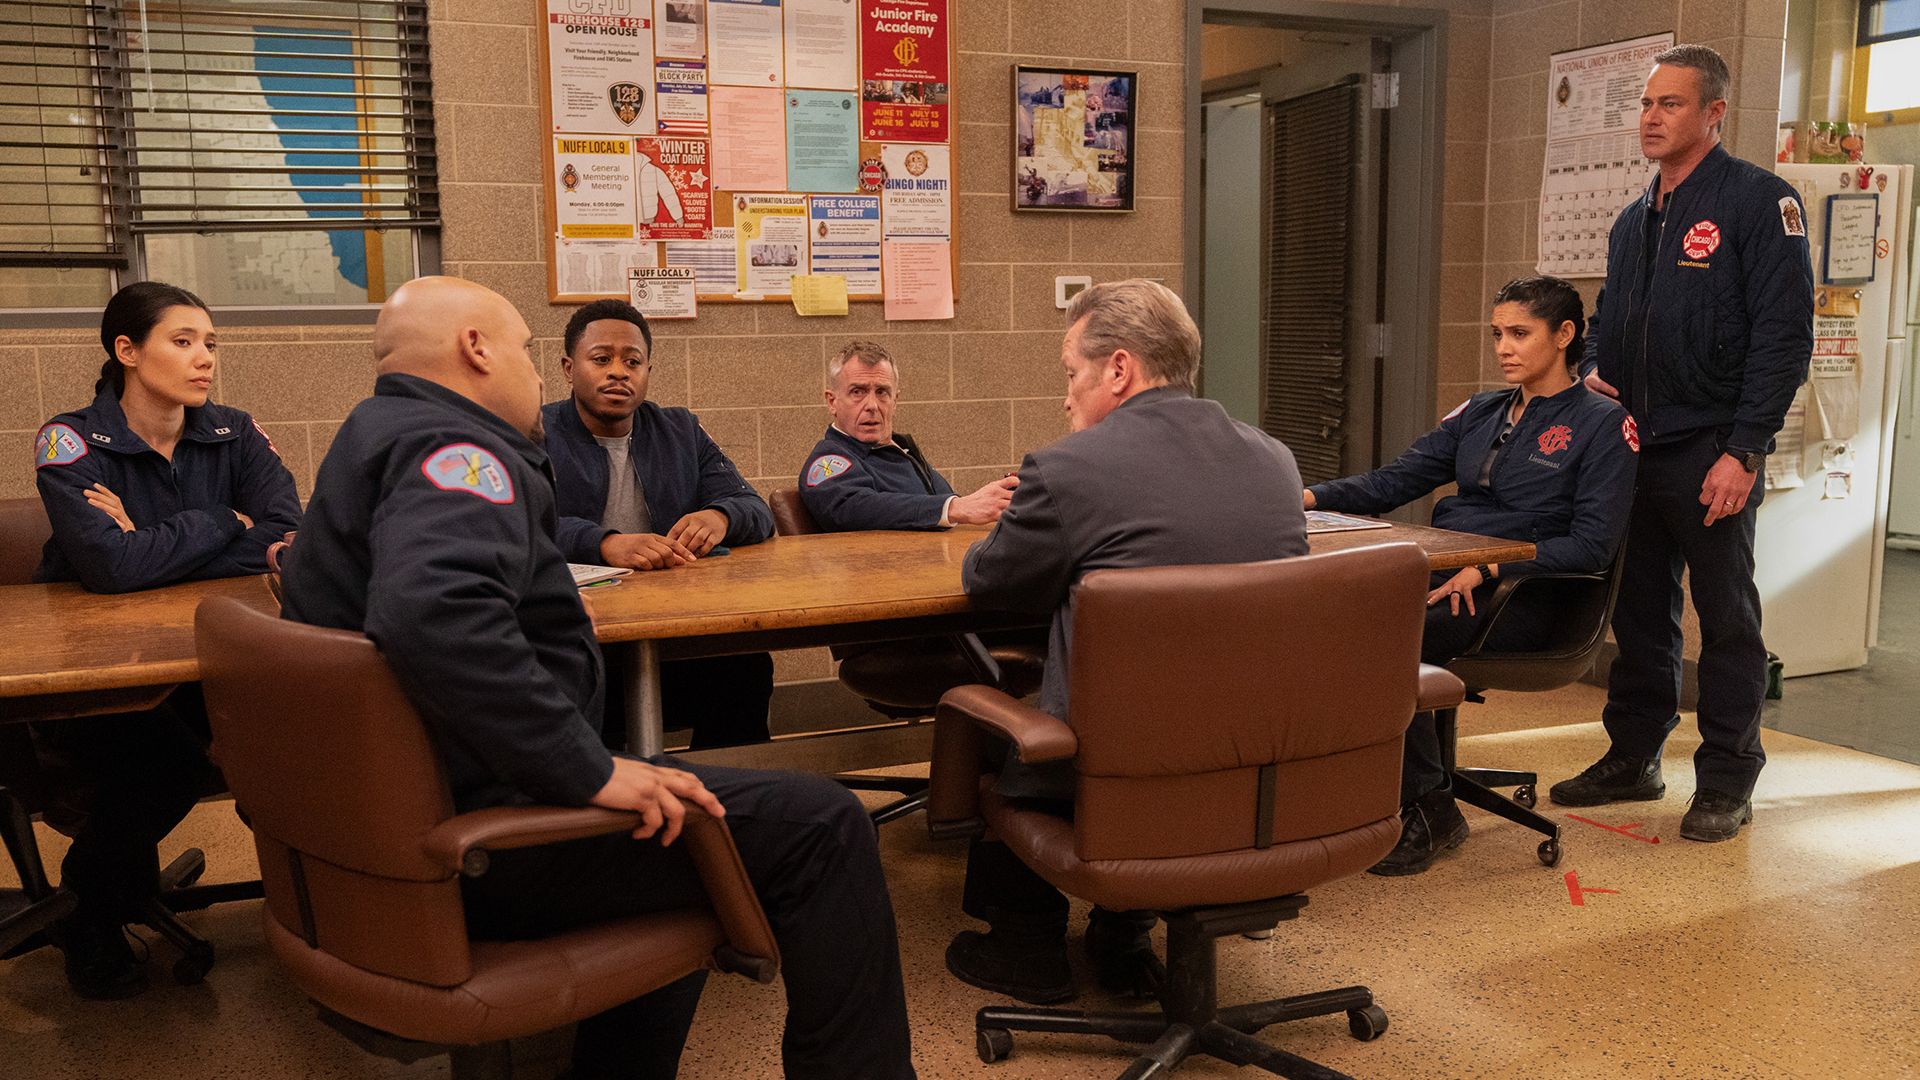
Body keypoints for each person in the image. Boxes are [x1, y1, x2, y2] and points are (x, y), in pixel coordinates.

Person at [277, 277, 915, 1080]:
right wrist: (588, 768)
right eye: (525, 353)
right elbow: (432, 613)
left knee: (675, 811)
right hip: (484, 838)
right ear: (476, 348)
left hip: (389, 837)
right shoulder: (458, 453)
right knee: (823, 825)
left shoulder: (374, 433)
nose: (538, 376)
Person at [944, 279, 1310, 1005]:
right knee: (1171, 711)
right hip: (1261, 777)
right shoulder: (1276, 460)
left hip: (1115, 779)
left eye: (1070, 374)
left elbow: (989, 585)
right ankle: (1123, 936)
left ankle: (1026, 945)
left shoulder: (1068, 470)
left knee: (998, 718)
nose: (1066, 396)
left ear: (1117, 369)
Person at [1555, 44, 1814, 842]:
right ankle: (1634, 756)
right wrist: (1595, 369)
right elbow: (1604, 328)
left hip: (1712, 449)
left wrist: (1745, 449)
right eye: (1646, 104)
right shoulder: (1635, 219)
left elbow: (1783, 336)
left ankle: (1729, 777)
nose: (1652, 118)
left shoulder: (1758, 203)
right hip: (1636, 445)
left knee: (1726, 619)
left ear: (1713, 114)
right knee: (1640, 613)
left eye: (1671, 104)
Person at [1308, 276, 1637, 875]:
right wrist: (1307, 496)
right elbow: (1396, 481)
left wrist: (1489, 565)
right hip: (1451, 578)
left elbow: (1592, 545)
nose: (1503, 348)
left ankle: (1431, 807)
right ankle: (1397, 791)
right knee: (1332, 617)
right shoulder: (1483, 411)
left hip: (1530, 596)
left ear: (1564, 335)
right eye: (1496, 335)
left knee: (1378, 640)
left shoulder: (1603, 425)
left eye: (1519, 333)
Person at [31, 281, 302, 999]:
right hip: (97, 687)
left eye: (209, 343)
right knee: (169, 767)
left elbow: (288, 537)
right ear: (127, 350)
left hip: (207, 666)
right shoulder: (70, 441)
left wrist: (151, 544)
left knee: (285, 738)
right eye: (183, 342)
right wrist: (225, 522)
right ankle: (85, 909)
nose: (204, 358)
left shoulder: (234, 432)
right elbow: (109, 569)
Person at [544, 298, 775, 749]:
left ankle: (721, 800)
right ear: (569, 369)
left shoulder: (680, 430)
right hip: (581, 635)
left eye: (633, 361)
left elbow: (754, 507)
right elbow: (519, 526)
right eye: (601, 359)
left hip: (673, 627)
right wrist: (604, 543)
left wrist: (720, 515)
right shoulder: (534, 431)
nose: (618, 372)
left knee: (744, 664)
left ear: (648, 370)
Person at [799, 340, 1018, 531]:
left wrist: (996, 501)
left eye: (882, 392)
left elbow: (951, 508)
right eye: (858, 392)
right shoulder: (829, 460)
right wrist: (953, 508)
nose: (872, 405)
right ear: (832, 402)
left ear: (895, 401)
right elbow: (852, 509)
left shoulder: (901, 449)